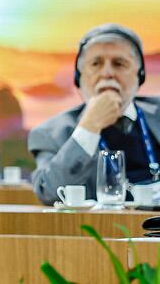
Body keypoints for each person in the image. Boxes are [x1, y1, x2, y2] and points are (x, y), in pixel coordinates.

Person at [29, 24, 160, 205]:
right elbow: (50, 194)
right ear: (79, 77)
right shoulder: (50, 134)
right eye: (96, 64)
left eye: (119, 63)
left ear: (140, 75)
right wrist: (89, 126)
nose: (107, 73)